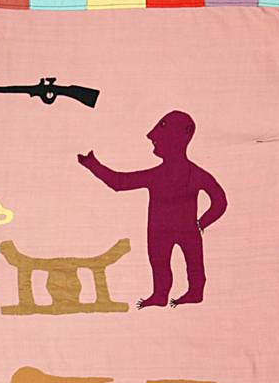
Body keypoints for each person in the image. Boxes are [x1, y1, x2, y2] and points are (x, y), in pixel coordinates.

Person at [77, 110, 226, 308]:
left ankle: (186, 293)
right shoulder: (183, 174)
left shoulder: (177, 175)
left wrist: (202, 223)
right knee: (166, 264)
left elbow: (220, 201)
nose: (151, 136)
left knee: (184, 264)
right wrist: (92, 164)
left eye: (162, 129)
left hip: (169, 231)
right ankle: (166, 294)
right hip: (171, 231)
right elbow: (119, 183)